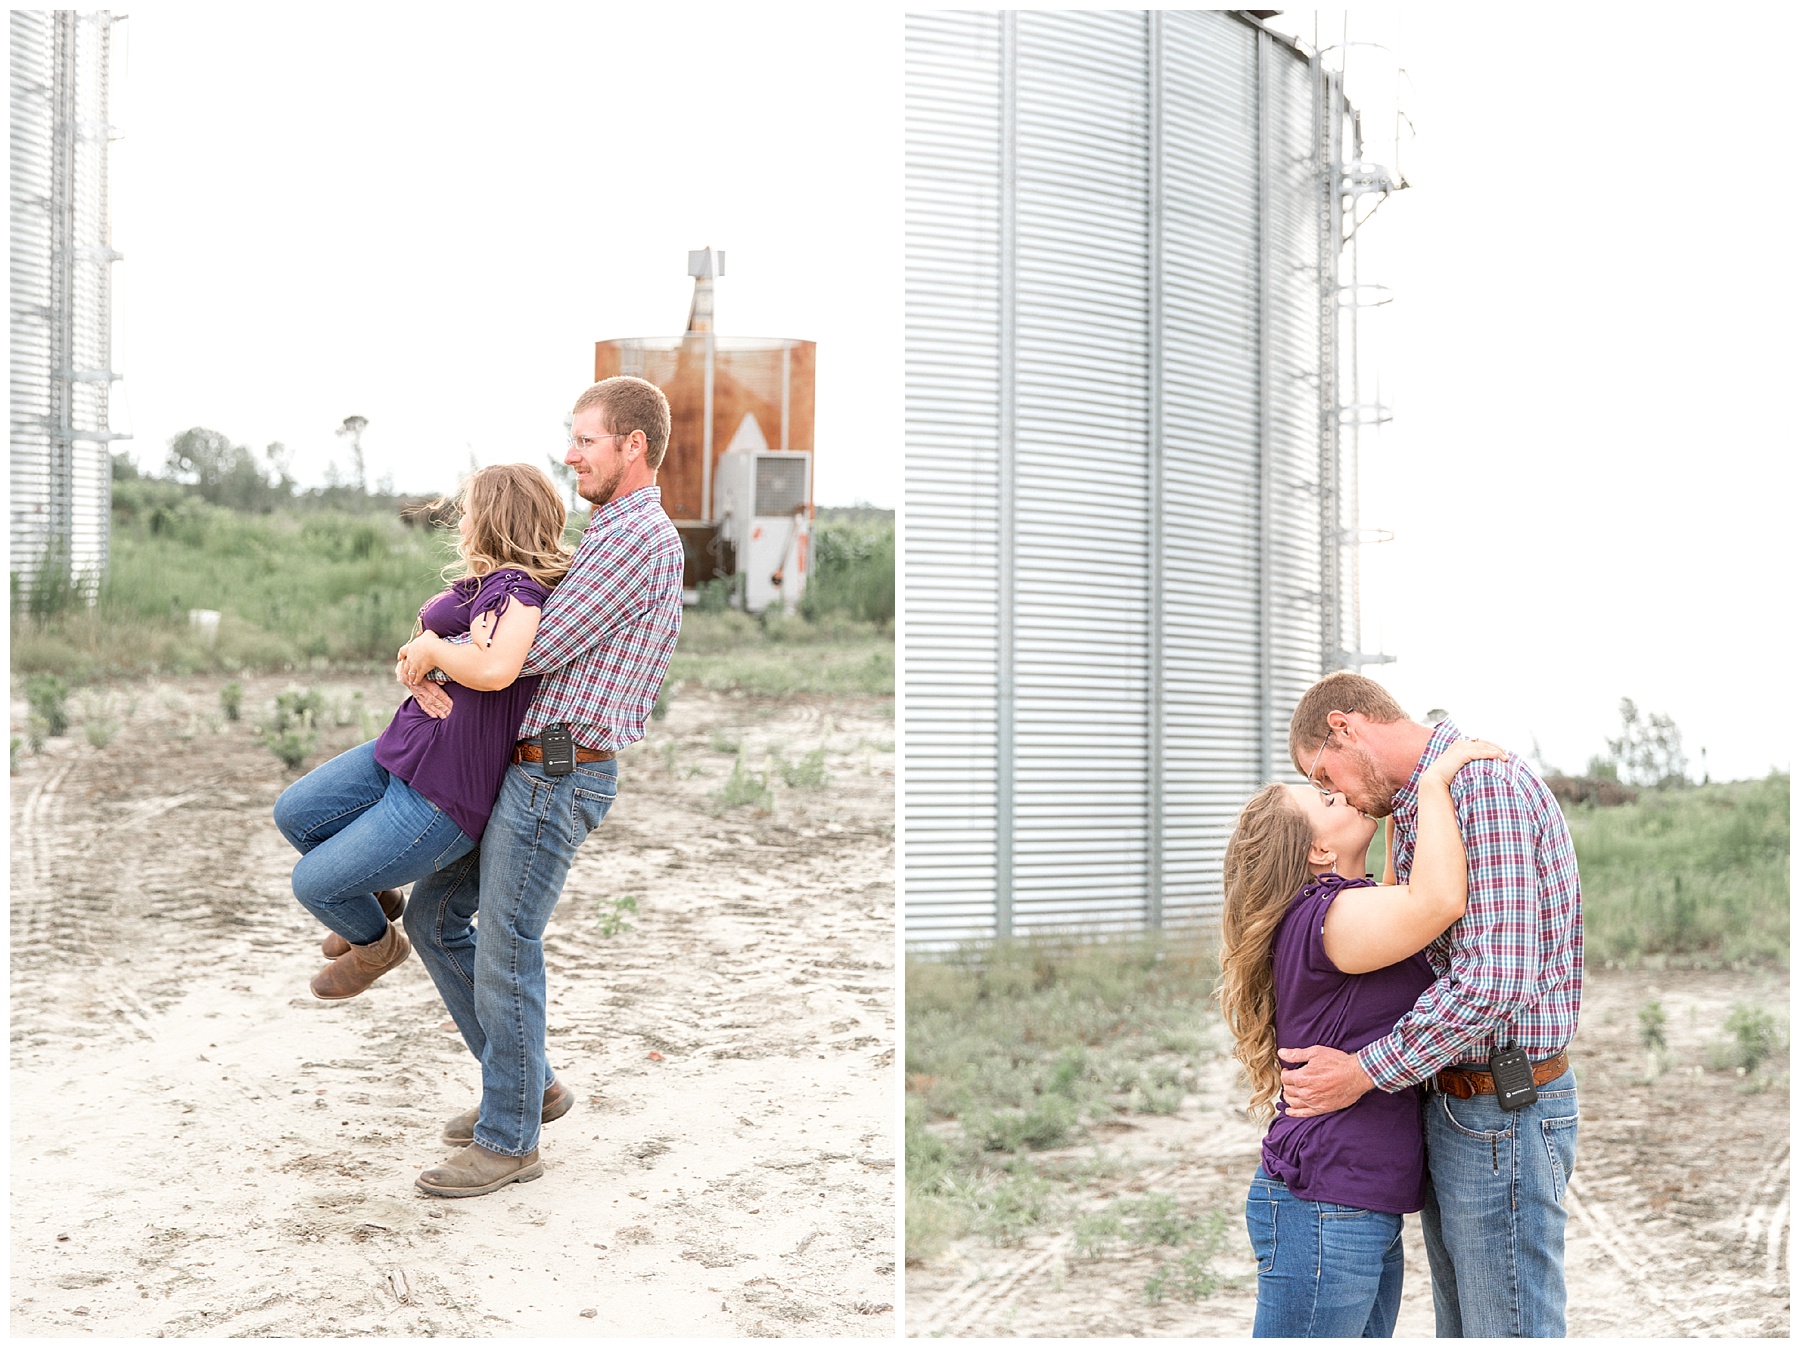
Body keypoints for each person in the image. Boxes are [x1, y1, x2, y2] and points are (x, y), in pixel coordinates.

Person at [396, 375, 684, 1199]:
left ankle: (510, 1138)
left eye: (586, 439)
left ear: (632, 446)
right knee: (433, 914)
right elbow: (505, 630)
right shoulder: (609, 532)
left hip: (556, 774)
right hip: (526, 766)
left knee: (505, 942)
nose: (571, 453)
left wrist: (439, 648)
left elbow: (528, 650)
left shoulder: (635, 539)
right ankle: (528, 1084)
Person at [1278, 670, 1583, 1338]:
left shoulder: (1483, 787)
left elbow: (1495, 982)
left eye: (1325, 777)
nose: (1335, 795)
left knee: (1506, 1330)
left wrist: (1362, 1071)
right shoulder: (1426, 802)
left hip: (1500, 1106)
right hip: (1456, 1103)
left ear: (1345, 727)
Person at [1220, 736, 1504, 1336]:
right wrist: (1428, 786)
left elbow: (1412, 891)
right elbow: (1441, 899)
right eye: (1325, 800)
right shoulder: (1328, 916)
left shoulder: (1353, 905)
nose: (1340, 795)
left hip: (1355, 1201)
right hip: (1326, 1201)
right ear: (1319, 849)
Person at [271, 464, 572, 1001]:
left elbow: (496, 668)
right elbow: (438, 649)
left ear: (494, 518)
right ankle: (378, 900)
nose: (460, 520)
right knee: (296, 813)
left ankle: (376, 946)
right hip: (406, 750)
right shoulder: (483, 586)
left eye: (469, 510)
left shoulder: (518, 592)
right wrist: (415, 663)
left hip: (443, 789)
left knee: (313, 883)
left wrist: (432, 652)